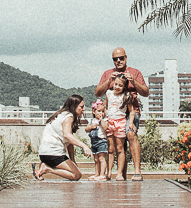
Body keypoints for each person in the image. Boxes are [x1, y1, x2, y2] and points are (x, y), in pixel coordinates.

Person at [95, 47, 149, 180]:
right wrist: (109, 81)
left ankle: (137, 171)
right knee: (115, 146)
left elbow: (145, 93)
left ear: (126, 57)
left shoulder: (135, 72)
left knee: (131, 134)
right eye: (115, 59)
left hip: (130, 112)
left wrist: (133, 82)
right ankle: (117, 174)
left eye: (121, 58)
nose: (118, 61)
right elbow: (98, 93)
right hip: (113, 114)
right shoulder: (108, 73)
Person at [33, 93, 89, 181]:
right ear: (74, 107)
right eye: (81, 107)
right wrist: (84, 146)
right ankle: (47, 168)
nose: (84, 109)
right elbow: (67, 135)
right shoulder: (68, 116)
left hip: (44, 153)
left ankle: (44, 166)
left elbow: (69, 141)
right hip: (54, 154)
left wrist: (72, 160)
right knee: (76, 175)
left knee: (75, 171)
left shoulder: (60, 115)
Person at [84, 99, 110, 181]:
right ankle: (97, 174)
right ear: (93, 111)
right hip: (94, 142)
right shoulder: (91, 121)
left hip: (102, 141)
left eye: (102, 111)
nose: (100, 113)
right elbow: (86, 129)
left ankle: (102, 174)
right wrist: (91, 126)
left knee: (102, 159)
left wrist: (101, 120)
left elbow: (106, 128)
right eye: (98, 111)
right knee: (96, 159)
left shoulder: (105, 120)